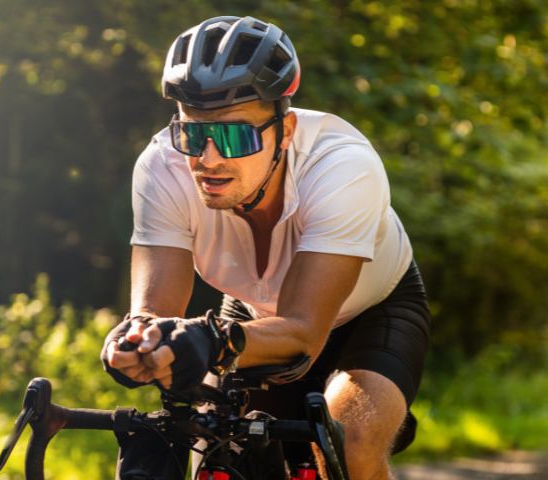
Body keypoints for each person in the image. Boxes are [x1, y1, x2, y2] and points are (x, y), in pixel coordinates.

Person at [102, 16, 430, 480]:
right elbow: (155, 315)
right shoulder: (163, 167)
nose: (208, 159)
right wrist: (136, 344)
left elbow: (301, 333)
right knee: (210, 439)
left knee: (347, 441)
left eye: (235, 136)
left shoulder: (344, 167)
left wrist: (206, 339)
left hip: (371, 311)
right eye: (193, 134)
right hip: (252, 313)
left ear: (287, 130)